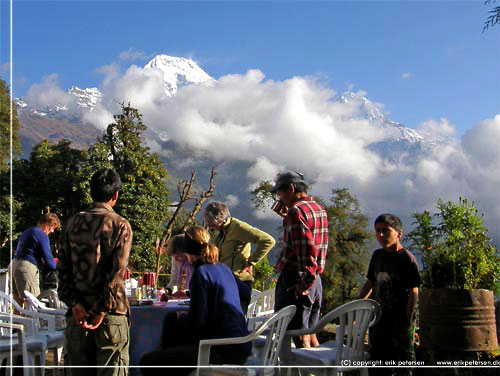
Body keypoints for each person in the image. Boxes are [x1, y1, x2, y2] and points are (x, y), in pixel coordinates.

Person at [140, 226, 251, 376]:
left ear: (188, 253)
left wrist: (182, 316)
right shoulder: (223, 268)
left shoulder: (200, 273)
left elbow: (197, 322)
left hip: (220, 350)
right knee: (172, 320)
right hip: (241, 344)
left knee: (148, 362)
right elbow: (245, 292)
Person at [57, 168, 133, 376]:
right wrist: (100, 309)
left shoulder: (71, 223)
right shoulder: (120, 225)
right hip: (110, 317)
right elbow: (116, 273)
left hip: (77, 315)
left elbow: (62, 270)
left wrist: (74, 303)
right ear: (115, 195)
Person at [269, 171, 328, 348]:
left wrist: (304, 283)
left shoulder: (296, 212)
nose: (280, 197)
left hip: (297, 279)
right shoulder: (318, 208)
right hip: (316, 280)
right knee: (310, 332)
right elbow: (316, 244)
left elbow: (306, 251)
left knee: (297, 334)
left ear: (291, 189)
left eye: (280, 193)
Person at [358, 213, 422, 376]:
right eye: (377, 231)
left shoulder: (406, 259)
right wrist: (358, 306)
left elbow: (413, 292)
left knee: (402, 364)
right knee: (378, 365)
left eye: (385, 231)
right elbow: (371, 282)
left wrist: (407, 321)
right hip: (378, 322)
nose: (380, 235)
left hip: (399, 323)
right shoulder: (377, 256)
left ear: (399, 233)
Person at [202, 201, 275, 313]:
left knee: (235, 320)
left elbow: (268, 241)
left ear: (222, 220)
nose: (210, 227)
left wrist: (251, 262)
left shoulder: (239, 228)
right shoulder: (220, 231)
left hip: (239, 282)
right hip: (224, 282)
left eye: (211, 224)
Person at [10, 212, 60, 306]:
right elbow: (49, 260)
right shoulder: (41, 234)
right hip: (26, 267)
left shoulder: (29, 230)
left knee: (18, 304)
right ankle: (32, 321)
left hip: (14, 265)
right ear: (47, 224)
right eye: (52, 227)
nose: (52, 231)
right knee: (32, 304)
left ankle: (17, 321)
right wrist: (60, 267)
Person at [165, 233, 192, 298]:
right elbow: (174, 278)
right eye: (173, 257)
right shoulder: (175, 259)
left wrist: (187, 293)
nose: (176, 260)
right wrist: (167, 290)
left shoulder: (195, 263)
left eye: (178, 256)